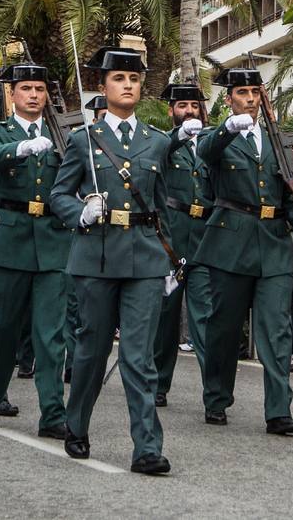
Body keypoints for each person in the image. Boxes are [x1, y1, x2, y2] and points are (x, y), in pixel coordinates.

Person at [51, 47, 171, 475]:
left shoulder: (158, 141)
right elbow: (58, 195)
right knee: (91, 351)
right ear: (103, 88)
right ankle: (76, 423)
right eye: (119, 79)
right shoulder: (85, 140)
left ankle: (147, 448)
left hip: (144, 258)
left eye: (134, 80)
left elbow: (165, 205)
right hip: (96, 255)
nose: (128, 86)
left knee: (139, 357)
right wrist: (80, 211)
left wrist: (173, 260)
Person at [194, 65, 293, 435]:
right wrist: (227, 128)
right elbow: (204, 154)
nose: (250, 99)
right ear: (229, 99)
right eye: (242, 93)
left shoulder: (277, 139)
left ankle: (278, 410)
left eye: (255, 93)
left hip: (273, 242)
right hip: (231, 241)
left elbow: (287, 183)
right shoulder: (218, 135)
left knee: (276, 330)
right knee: (224, 328)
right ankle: (216, 397)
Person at [0, 62, 69, 436]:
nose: (34, 95)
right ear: (12, 93)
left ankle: (53, 413)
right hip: (9, 239)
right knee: (2, 329)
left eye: (40, 89)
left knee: (51, 334)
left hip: (52, 238)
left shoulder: (63, 134)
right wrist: (22, 147)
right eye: (26, 88)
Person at [154, 82, 213, 409]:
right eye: (183, 106)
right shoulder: (163, 142)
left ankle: (213, 392)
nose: (190, 111)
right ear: (171, 111)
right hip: (171, 236)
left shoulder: (212, 144)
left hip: (204, 236)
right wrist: (178, 138)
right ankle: (159, 383)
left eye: (195, 105)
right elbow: (155, 158)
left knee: (204, 315)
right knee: (166, 315)